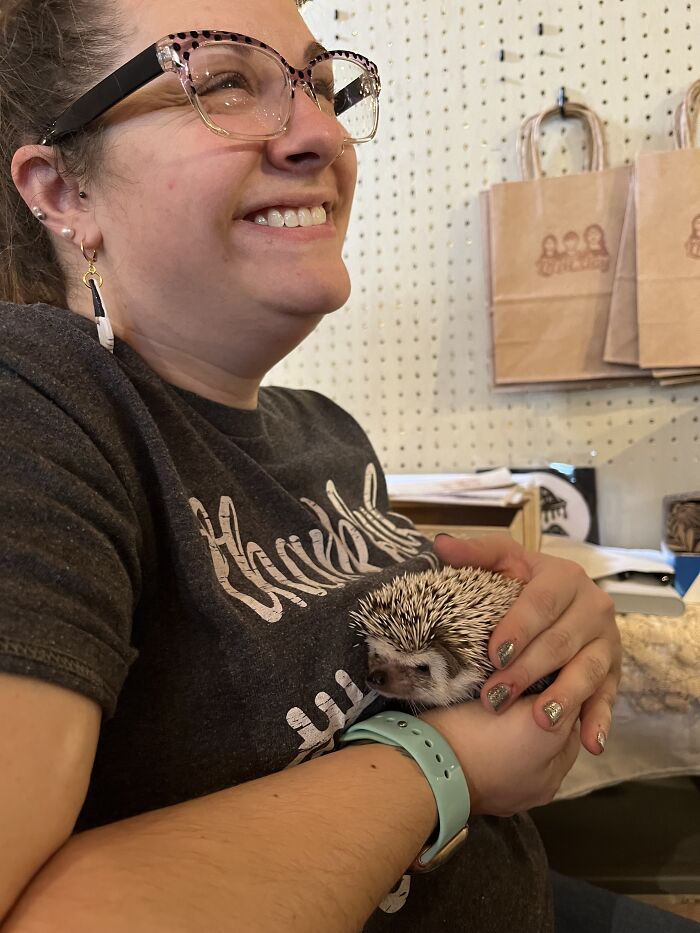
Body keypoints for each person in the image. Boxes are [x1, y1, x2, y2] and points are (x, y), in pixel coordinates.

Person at [0, 1, 694, 931]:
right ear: (60, 190)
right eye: (222, 83)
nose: (322, 134)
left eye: (322, 88)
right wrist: (435, 761)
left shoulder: (325, 432)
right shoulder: (37, 396)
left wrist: (558, 638)